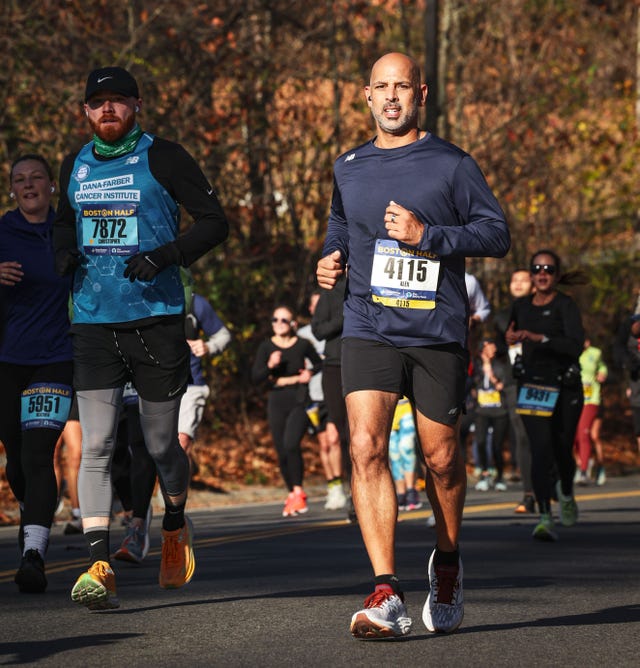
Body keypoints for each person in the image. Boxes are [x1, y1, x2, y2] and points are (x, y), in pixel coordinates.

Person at [316, 52, 510, 639]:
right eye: (381, 87)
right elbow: (342, 225)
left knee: (443, 458)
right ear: (366, 96)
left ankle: (446, 562)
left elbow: (496, 233)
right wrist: (330, 258)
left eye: (402, 86)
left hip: (435, 331)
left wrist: (430, 236)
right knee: (366, 446)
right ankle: (385, 591)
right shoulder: (347, 166)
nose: (392, 97)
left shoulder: (452, 164)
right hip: (368, 324)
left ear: (420, 93)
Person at [53, 66, 229, 609]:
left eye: (117, 101)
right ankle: (98, 562)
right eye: (96, 103)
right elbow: (63, 221)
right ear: (85, 111)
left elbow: (214, 221)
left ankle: (174, 521)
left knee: (158, 445)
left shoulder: (165, 156)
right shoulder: (73, 164)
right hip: (92, 320)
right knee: (99, 445)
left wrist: (165, 255)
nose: (107, 110)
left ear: (136, 106)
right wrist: (61, 251)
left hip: (156, 319)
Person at [0, 154, 74, 593]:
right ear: (12, 190)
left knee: (37, 451)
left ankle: (33, 554)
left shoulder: (69, 231)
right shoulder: (2, 231)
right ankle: (37, 511)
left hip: (55, 357)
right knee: (16, 460)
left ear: (50, 186)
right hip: (6, 360)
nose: (28, 185)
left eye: (36, 178)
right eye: (19, 180)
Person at [506, 250, 584, 542]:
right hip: (534, 385)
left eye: (548, 270)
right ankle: (543, 516)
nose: (542, 274)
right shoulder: (521, 306)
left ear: (556, 275)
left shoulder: (566, 305)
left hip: (564, 385)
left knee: (562, 447)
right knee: (540, 449)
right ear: (531, 274)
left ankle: (565, 489)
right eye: (537, 269)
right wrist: (510, 339)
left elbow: (576, 345)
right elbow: (510, 337)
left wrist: (542, 339)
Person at [251, 305, 322, 517]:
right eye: (275, 320)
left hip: (298, 397)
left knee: (292, 443)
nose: (279, 323)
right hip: (277, 398)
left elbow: (319, 363)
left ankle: (299, 492)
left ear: (293, 324)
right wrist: (270, 366)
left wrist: (309, 373)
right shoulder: (266, 347)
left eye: (284, 320)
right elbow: (256, 377)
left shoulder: (302, 344)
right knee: (281, 450)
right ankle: (292, 493)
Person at [311, 273, 355, 521]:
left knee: (359, 434)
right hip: (334, 367)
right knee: (341, 433)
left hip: (363, 364)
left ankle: (362, 492)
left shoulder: (371, 285)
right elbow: (318, 330)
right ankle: (352, 492)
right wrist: (345, 317)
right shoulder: (330, 292)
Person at [299, 290, 347, 511]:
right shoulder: (303, 335)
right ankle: (333, 486)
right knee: (324, 443)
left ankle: (340, 486)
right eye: (316, 305)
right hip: (314, 395)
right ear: (312, 309)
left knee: (335, 437)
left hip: (332, 388)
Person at [494, 268, 536, 513]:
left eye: (524, 280)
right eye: (514, 279)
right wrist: (493, 348)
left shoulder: (543, 310)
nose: (519, 284)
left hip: (540, 379)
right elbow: (500, 347)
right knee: (521, 435)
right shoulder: (502, 315)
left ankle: (552, 481)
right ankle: (529, 494)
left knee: (544, 435)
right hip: (514, 381)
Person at [180, 290, 231, 472]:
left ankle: (173, 499)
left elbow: (223, 335)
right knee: (156, 448)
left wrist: (208, 346)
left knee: (182, 441)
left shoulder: (195, 303)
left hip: (191, 383)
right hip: (154, 384)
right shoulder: (148, 299)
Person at [472, 339, 509, 492]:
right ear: (482, 350)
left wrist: (491, 375)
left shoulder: (500, 366)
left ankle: (500, 476)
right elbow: (471, 385)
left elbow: (502, 386)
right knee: (480, 442)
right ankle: (484, 474)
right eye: (489, 346)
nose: (493, 348)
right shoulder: (476, 367)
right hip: (482, 411)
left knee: (496, 445)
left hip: (499, 411)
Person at [574, 338, 608, 485]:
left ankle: (585, 469)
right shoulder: (570, 352)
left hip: (592, 399)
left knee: (587, 433)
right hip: (575, 399)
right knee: (574, 436)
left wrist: (602, 372)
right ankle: (583, 462)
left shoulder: (595, 353)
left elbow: (603, 367)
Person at [389, 397, 422, 510]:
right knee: (394, 452)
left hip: (406, 405)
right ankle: (401, 493)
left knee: (406, 447)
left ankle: (411, 490)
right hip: (388, 408)